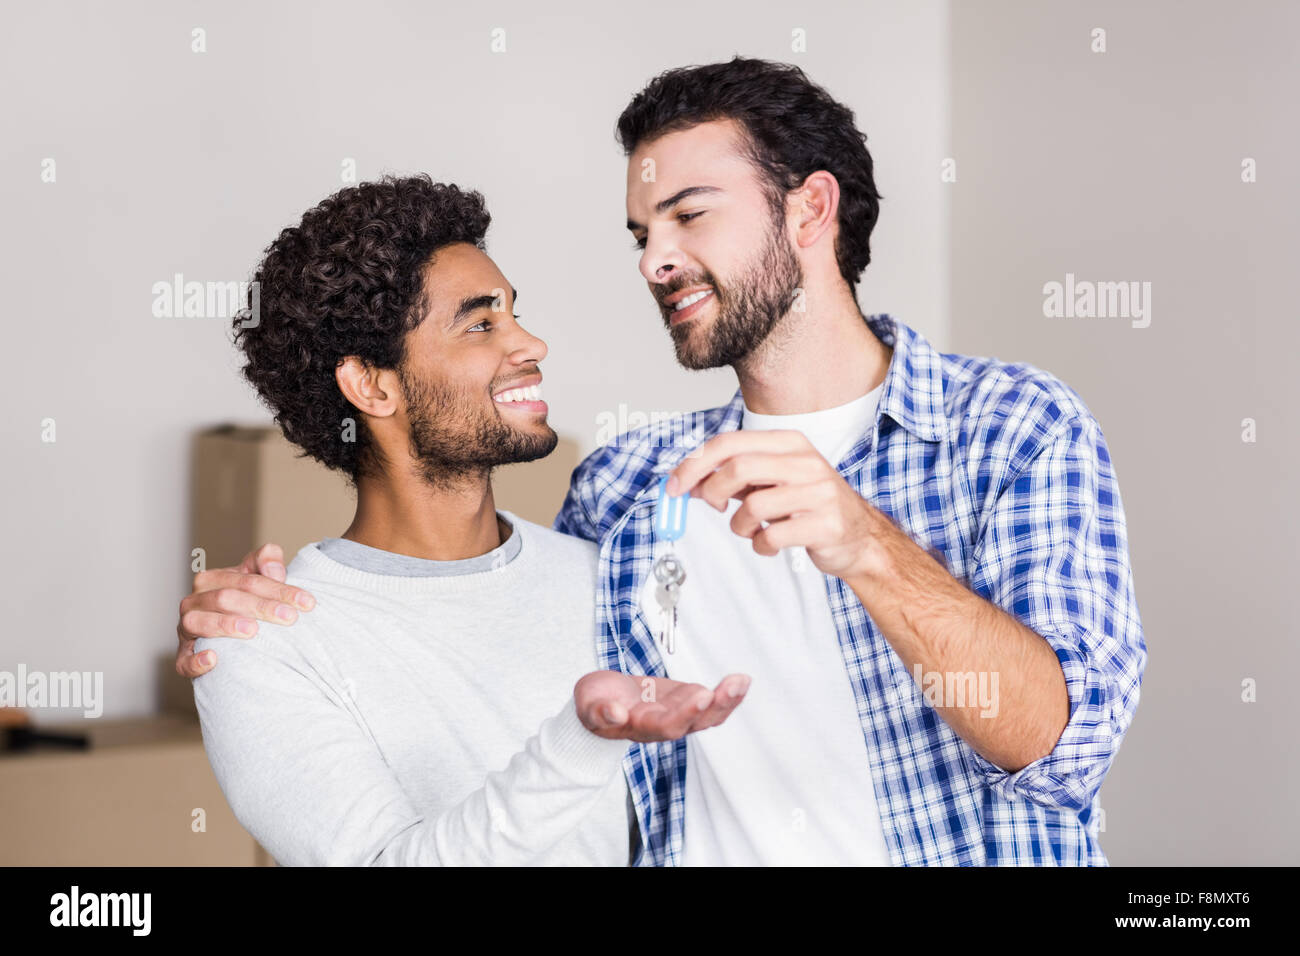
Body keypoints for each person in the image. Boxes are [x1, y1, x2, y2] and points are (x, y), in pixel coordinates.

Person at [180, 57, 1146, 867]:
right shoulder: (629, 485)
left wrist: (866, 544)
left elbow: (1065, 752)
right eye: (645, 235)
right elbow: (496, 645)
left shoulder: (1013, 428)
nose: (653, 260)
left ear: (810, 211)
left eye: (690, 216)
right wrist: (255, 610)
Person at [185, 174, 749, 866]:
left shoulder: (600, 577)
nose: (531, 344)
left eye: (513, 313)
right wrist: (584, 735)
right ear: (371, 384)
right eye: (481, 324)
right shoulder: (259, 643)